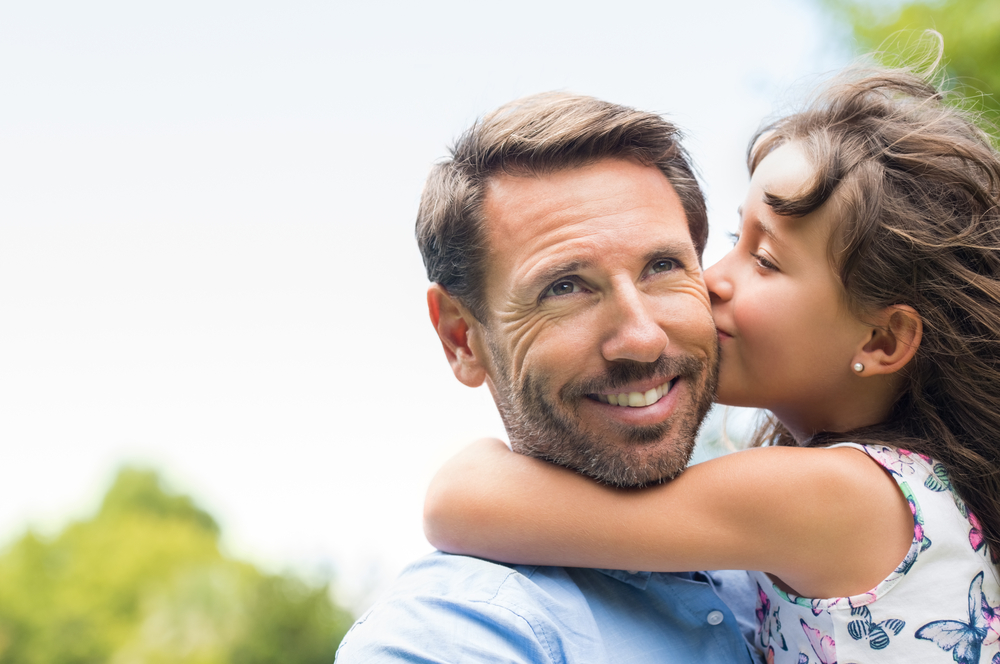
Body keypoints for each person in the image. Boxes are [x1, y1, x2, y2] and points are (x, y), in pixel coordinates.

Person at [424, 64, 1000, 664]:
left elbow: (461, 504)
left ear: (882, 341)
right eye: (733, 238)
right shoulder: (901, 491)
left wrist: (477, 465)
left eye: (766, 260)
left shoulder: (837, 495)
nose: (712, 279)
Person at [335, 93, 762, 662]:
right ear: (462, 338)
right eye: (565, 287)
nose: (642, 338)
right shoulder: (447, 638)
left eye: (662, 267)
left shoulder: (784, 575)